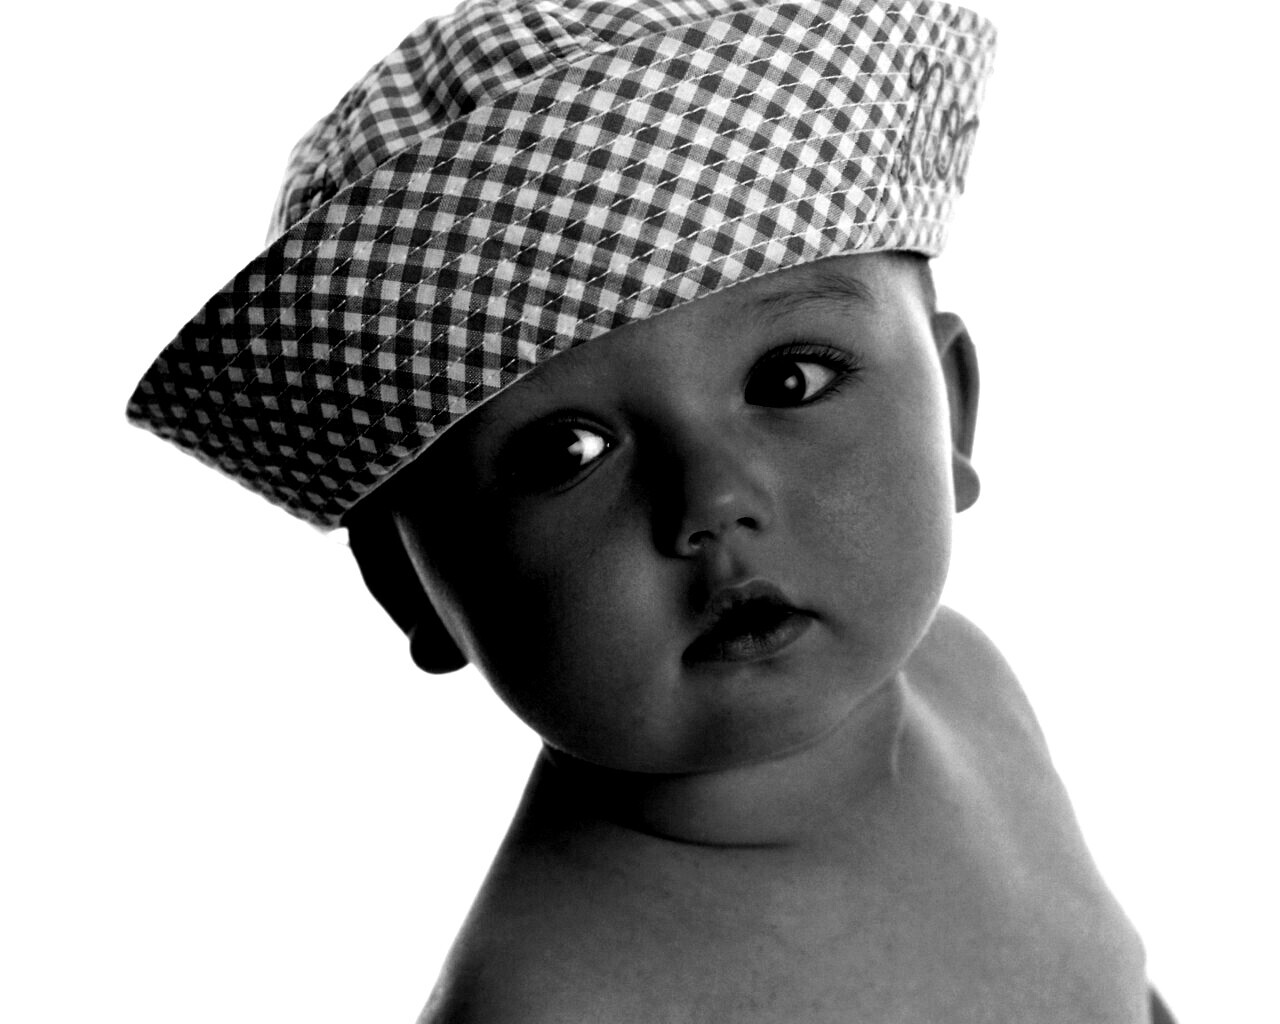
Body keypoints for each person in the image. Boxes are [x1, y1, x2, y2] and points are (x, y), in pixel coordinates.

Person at [127, 0, 1175, 1019]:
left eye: (789, 381)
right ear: (411, 584)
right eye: (567, 451)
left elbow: (1102, 973)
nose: (710, 500)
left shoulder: (969, 680)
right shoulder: (557, 1003)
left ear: (952, 408)